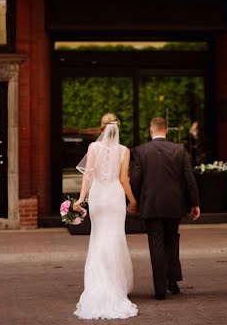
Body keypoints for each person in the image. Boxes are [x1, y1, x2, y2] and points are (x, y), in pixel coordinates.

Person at [72, 112, 139, 320]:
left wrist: (81, 199)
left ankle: (98, 284)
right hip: (115, 198)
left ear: (101, 128)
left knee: (99, 238)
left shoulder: (94, 148)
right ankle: (116, 284)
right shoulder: (124, 151)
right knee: (116, 238)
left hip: (99, 198)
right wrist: (133, 200)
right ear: (118, 128)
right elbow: (124, 179)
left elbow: (88, 176)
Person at [130, 116, 200, 300]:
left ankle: (160, 289)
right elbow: (189, 179)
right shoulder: (179, 150)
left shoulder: (141, 151)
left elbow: (135, 180)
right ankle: (173, 282)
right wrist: (195, 203)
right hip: (174, 204)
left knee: (156, 244)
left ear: (151, 130)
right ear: (166, 130)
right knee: (172, 241)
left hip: (151, 204)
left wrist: (132, 201)